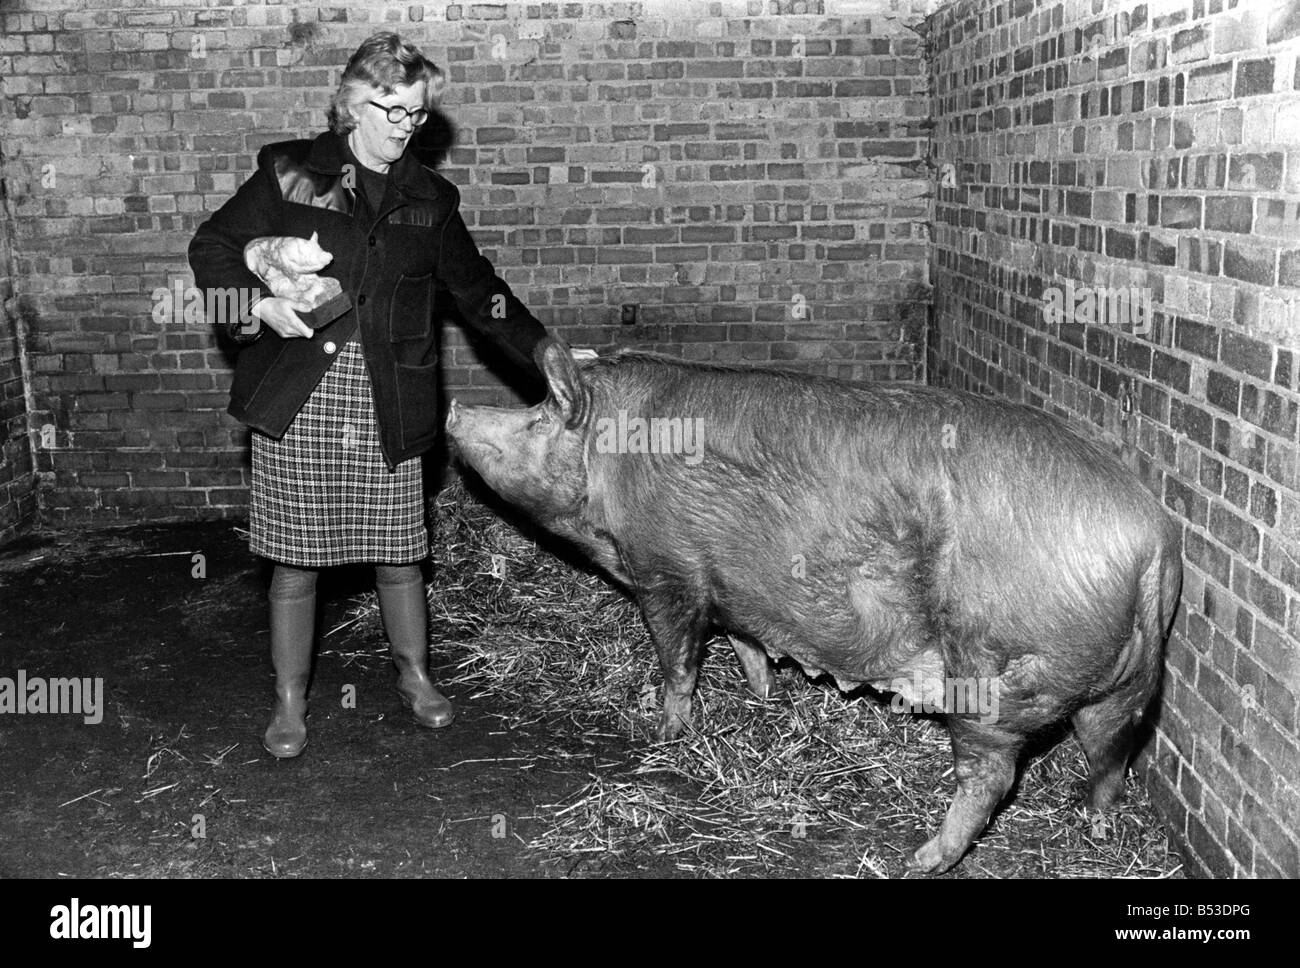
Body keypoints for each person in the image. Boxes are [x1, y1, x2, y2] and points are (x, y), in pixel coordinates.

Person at [188, 32, 549, 757]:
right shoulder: (292, 173)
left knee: (398, 550)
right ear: (352, 105)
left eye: (416, 113)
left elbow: (478, 289)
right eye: (391, 110)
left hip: (389, 396)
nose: (405, 126)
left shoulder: (431, 198)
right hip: (300, 393)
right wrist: (255, 306)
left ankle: (414, 675)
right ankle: (290, 699)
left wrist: (543, 349)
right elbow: (212, 246)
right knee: (295, 557)